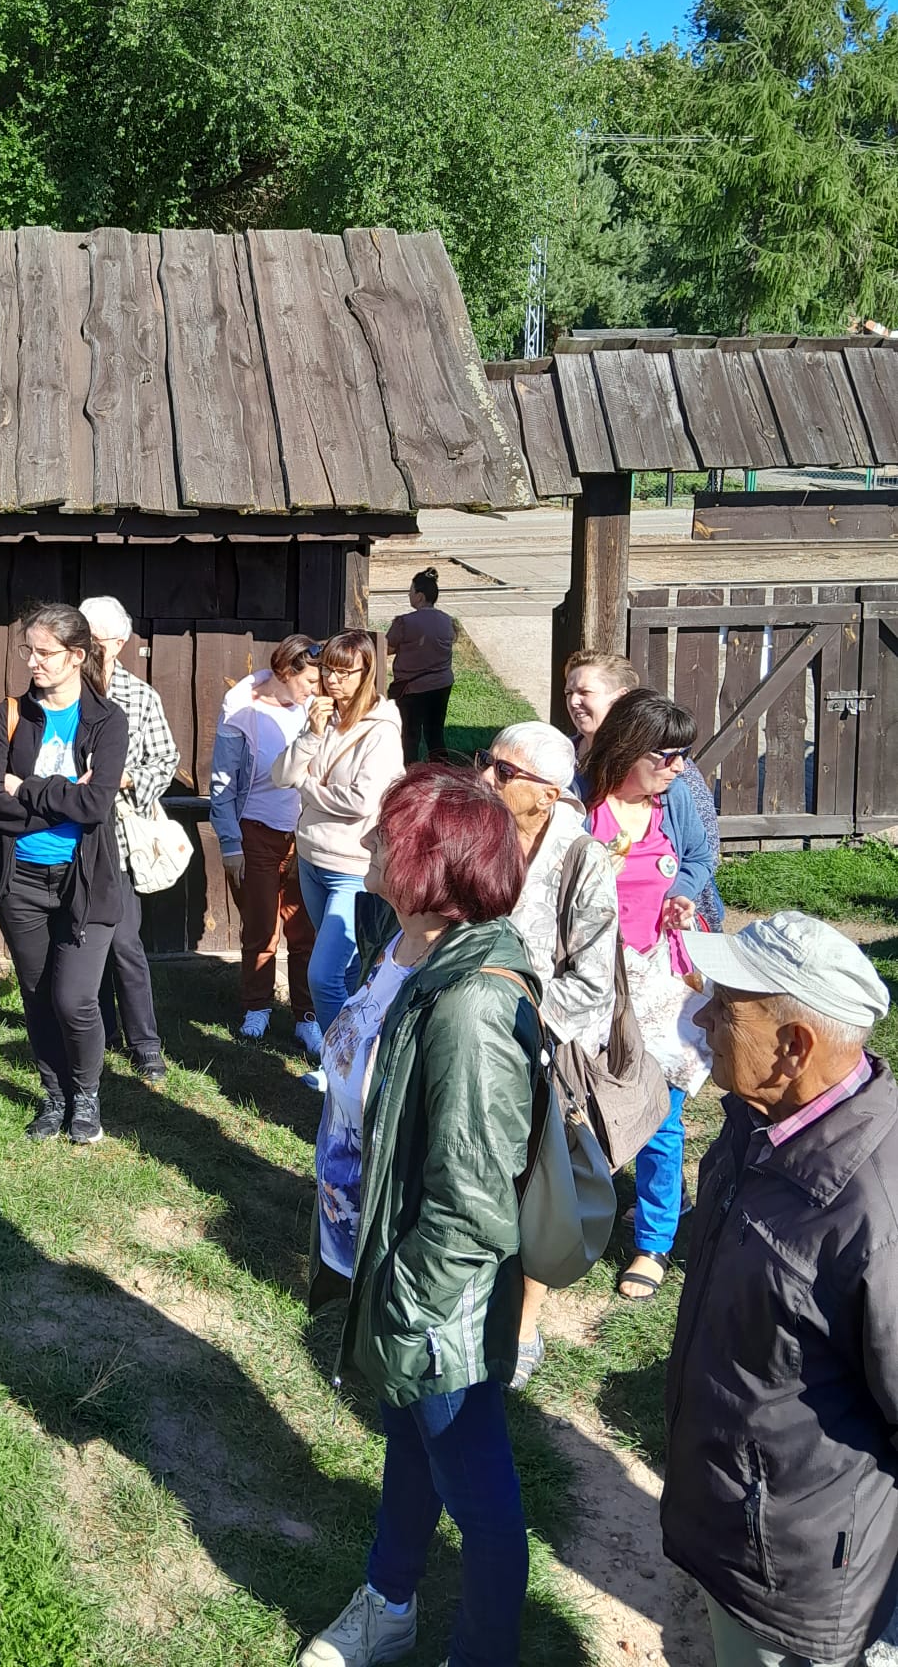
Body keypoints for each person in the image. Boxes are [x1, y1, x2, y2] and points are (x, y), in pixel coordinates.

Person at [303, 765, 542, 1667]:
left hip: (430, 1281)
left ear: (426, 867)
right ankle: (390, 1603)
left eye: (382, 837)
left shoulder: (472, 1002)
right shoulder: (401, 945)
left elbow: (472, 1201)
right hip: (380, 1256)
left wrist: (408, 1298)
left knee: (480, 1496)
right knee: (409, 1436)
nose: (364, 845)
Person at [663, 912, 897, 1667]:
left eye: (724, 1009)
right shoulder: (760, 1122)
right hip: (738, 1530)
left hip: (795, 1573)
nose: (700, 1016)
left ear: (794, 1048)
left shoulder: (874, 1214)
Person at [480, 721, 623, 1387]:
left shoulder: (582, 859)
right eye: (490, 764)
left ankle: (525, 1321)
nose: (488, 778)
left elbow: (593, 982)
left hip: (545, 1049)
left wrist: (517, 1017)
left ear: (549, 791)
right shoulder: (487, 833)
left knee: (538, 1188)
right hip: (480, 1038)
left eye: (504, 773)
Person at [0, 604, 130, 1146]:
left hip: (84, 882)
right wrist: (64, 795)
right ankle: (54, 1095)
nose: (32, 661)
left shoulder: (108, 720)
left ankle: (86, 1096)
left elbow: (96, 805)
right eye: (27, 650)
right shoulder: (8, 715)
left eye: (44, 652)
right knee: (36, 995)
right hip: (21, 880)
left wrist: (28, 788)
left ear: (76, 656)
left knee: (75, 999)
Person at [584, 687, 715, 1302]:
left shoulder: (677, 800)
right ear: (630, 749)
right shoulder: (583, 805)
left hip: (662, 978)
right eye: (667, 755)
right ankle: (575, 1214)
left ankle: (654, 1241)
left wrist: (681, 894)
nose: (679, 768)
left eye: (684, 754)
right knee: (582, 1103)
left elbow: (695, 859)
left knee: (661, 1114)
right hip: (595, 979)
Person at [274, 629, 404, 1040]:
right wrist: (311, 735)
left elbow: (361, 802)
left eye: (346, 672)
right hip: (312, 859)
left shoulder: (381, 731)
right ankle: (359, 1055)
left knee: (323, 975)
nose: (333, 680)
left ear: (367, 672)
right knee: (349, 971)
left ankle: (339, 1061)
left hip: (353, 867)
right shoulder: (322, 716)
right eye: (328, 669)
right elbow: (280, 774)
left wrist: (308, 786)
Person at [79, 595, 179, 1085]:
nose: (87, 649)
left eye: (96, 640)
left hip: (117, 833)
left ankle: (145, 1044)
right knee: (78, 938)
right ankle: (99, 1032)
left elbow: (165, 759)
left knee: (123, 941)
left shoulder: (139, 696)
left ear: (119, 643)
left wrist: (124, 779)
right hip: (67, 833)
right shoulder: (61, 692)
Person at [208, 635, 323, 1053]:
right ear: (285, 672)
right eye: (309, 679)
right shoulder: (242, 710)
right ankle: (256, 1007)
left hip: (305, 831)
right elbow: (222, 784)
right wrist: (229, 842)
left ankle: (306, 1016)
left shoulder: (314, 708)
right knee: (260, 926)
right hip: (255, 828)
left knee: (304, 927)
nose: (315, 687)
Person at [566, 648, 725, 930]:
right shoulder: (570, 786)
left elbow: (701, 853)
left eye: (585, 692)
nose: (679, 766)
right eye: (569, 693)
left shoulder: (676, 788)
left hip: (667, 941)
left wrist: (679, 894)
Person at [384, 567, 455, 762]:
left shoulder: (405, 622)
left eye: (411, 591)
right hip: (441, 684)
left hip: (412, 688)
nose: (409, 595)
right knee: (435, 733)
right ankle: (441, 772)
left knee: (409, 735)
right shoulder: (447, 620)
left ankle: (409, 775)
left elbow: (386, 648)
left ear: (420, 596)